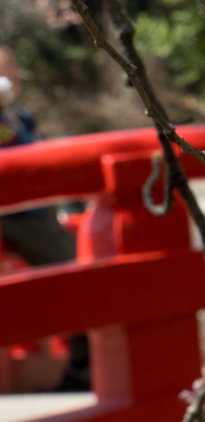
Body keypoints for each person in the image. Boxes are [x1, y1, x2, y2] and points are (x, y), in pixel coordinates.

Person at [0, 46, 91, 390]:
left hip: (37, 210)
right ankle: (83, 366)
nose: (15, 76)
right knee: (78, 278)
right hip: (17, 215)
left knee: (80, 274)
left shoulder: (18, 113)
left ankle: (81, 364)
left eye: (15, 69)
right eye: (7, 70)